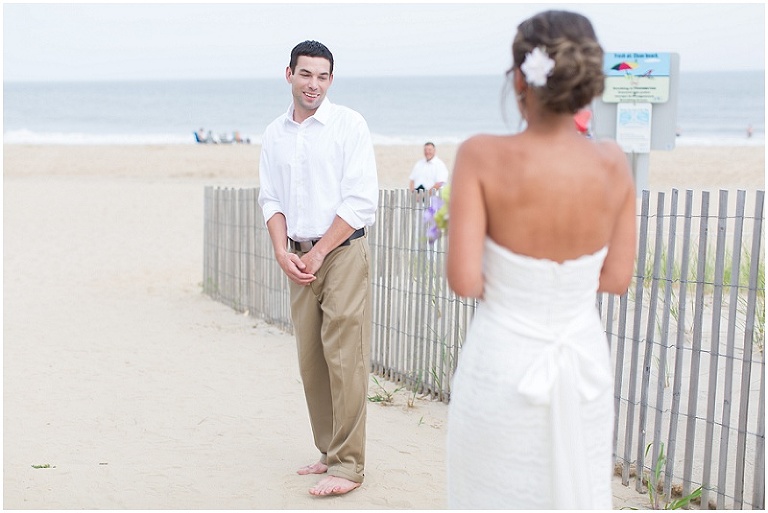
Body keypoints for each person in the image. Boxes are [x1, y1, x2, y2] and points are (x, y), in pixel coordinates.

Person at [445, 10, 636, 509]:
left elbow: (465, 279)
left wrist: (519, 280)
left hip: (503, 361)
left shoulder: (480, 156)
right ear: (585, 84)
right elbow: (617, 278)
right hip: (583, 362)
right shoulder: (614, 163)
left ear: (519, 78)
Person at [257, 40, 379, 497]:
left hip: (343, 253)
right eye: (306, 74)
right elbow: (270, 197)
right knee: (312, 363)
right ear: (288, 74)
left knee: (345, 360)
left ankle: (349, 467)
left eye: (323, 76)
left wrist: (320, 251)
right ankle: (329, 450)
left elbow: (360, 200)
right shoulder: (275, 133)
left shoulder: (349, 125)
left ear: (331, 79)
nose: (314, 84)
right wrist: (281, 250)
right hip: (298, 257)